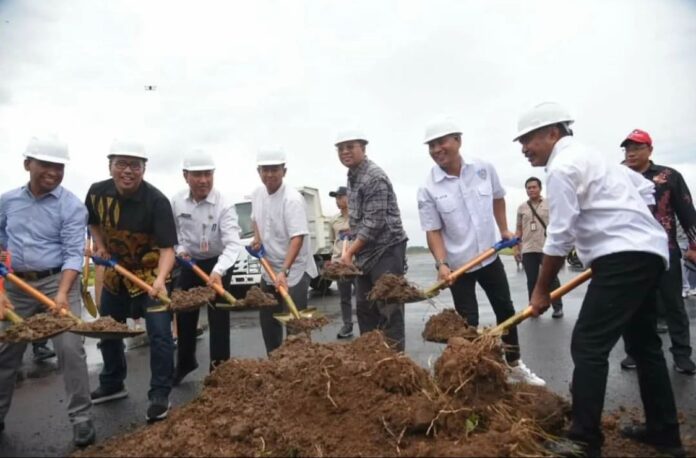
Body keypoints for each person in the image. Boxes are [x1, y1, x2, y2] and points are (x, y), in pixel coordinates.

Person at [517, 102, 684, 457]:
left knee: (588, 345)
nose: (524, 149)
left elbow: (559, 236)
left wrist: (540, 290)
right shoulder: (595, 158)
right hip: (650, 253)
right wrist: (627, 221)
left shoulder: (561, 168)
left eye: (528, 139)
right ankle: (664, 434)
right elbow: (644, 190)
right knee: (644, 345)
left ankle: (583, 439)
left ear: (552, 133)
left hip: (622, 257)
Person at [417, 118, 544, 386]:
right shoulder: (428, 187)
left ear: (458, 141)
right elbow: (433, 230)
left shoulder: (483, 169)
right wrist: (441, 263)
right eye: (431, 145)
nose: (437, 149)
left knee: (506, 310)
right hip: (458, 265)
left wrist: (505, 229)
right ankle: (470, 373)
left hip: (489, 255)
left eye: (442, 142)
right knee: (467, 321)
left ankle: (514, 363)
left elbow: (498, 198)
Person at [0, 135, 95, 446]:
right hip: (16, 285)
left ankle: (82, 420)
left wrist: (63, 293)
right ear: (28, 164)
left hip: (58, 281)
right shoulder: (8, 201)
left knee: (69, 348)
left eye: (59, 166)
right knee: (5, 349)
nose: (53, 171)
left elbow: (72, 254)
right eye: (46, 165)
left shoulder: (71, 206)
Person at [86, 139, 178, 422]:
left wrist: (161, 280)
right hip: (117, 271)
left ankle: (160, 393)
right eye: (121, 164)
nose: (128, 171)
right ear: (110, 166)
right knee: (109, 327)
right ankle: (113, 381)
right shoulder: (97, 193)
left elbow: (167, 250)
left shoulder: (157, 202)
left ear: (144, 169)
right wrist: (100, 244)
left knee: (160, 333)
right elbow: (92, 222)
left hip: (151, 273)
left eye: (135, 165)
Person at [618, 129, 696, 375]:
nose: (631, 152)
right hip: (630, 252)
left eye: (637, 147)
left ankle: (682, 355)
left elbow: (687, 212)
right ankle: (635, 351)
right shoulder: (618, 176)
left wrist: (694, 245)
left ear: (650, 150)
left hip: (666, 250)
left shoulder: (669, 176)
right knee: (634, 305)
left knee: (673, 305)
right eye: (627, 148)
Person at [170, 150, 243, 383]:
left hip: (219, 262)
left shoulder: (224, 204)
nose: (203, 180)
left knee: (219, 315)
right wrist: (179, 250)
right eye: (197, 175)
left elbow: (233, 244)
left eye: (207, 174)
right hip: (190, 262)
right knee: (183, 310)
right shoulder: (177, 201)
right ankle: (185, 362)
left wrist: (218, 271)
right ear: (185, 176)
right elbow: (174, 234)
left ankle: (220, 370)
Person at [335, 130, 408, 352]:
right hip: (366, 252)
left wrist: (348, 253)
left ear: (363, 148)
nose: (345, 151)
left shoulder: (373, 176)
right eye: (341, 148)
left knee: (388, 307)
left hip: (386, 250)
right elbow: (361, 218)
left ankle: (395, 364)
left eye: (351, 146)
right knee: (365, 307)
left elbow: (374, 224)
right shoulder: (353, 175)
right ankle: (371, 359)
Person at [250, 149, 318, 354]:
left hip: (294, 270)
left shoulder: (292, 199)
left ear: (284, 171)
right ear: (259, 171)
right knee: (268, 320)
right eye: (265, 170)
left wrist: (284, 271)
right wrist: (257, 239)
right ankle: (275, 362)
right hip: (270, 267)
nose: (269, 174)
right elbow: (255, 219)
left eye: (274, 169)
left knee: (296, 323)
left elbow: (297, 238)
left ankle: (301, 366)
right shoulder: (257, 194)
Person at [514, 177, 563, 318]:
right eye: (528, 188)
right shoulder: (522, 207)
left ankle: (557, 307)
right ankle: (533, 308)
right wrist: (516, 248)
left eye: (534, 187)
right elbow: (518, 230)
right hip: (529, 248)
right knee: (532, 279)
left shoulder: (549, 204)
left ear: (540, 188)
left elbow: (558, 223)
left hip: (547, 247)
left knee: (552, 278)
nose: (531, 190)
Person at [327, 186, 355, 339]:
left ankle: (368, 324)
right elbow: (333, 240)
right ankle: (347, 325)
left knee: (363, 297)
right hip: (339, 265)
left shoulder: (357, 217)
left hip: (356, 264)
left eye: (340, 197)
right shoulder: (333, 221)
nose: (338, 201)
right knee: (344, 297)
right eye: (336, 198)